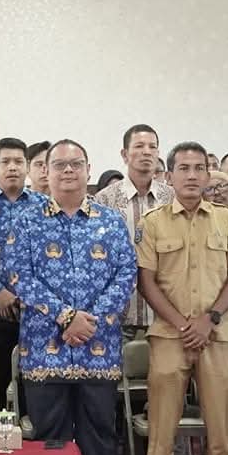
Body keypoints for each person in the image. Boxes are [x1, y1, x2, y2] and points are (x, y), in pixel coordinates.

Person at [0, 138, 134, 455]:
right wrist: (66, 317)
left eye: (76, 164)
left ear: (89, 170)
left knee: (99, 435)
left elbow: (126, 274)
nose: (68, 171)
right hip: (45, 349)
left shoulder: (110, 221)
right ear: (46, 172)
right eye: (59, 165)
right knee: (51, 438)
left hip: (98, 347)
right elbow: (17, 275)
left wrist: (90, 320)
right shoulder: (26, 221)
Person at [133, 143, 228, 455]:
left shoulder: (227, 219)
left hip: (216, 335)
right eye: (183, 168)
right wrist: (183, 324)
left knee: (220, 423)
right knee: (162, 423)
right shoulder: (153, 223)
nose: (191, 175)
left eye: (199, 168)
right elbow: (146, 281)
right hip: (169, 335)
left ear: (207, 174)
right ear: (169, 176)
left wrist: (209, 319)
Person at [0, 137, 43, 409]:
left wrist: (25, 294)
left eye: (18, 161)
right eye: (5, 161)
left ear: (27, 167)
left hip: (35, 312)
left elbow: (50, 261)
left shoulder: (45, 206)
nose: (12, 167)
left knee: (33, 393)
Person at [92, 124, 175, 337]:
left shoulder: (172, 198)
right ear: (124, 154)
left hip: (166, 315)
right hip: (118, 316)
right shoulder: (104, 200)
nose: (146, 152)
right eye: (139, 146)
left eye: (152, 147)